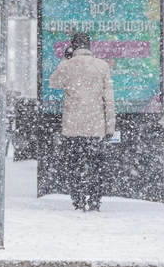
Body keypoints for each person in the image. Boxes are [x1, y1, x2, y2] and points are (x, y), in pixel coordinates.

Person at [49, 32, 115, 212]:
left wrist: (65, 60)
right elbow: (108, 99)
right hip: (96, 127)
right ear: (89, 46)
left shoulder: (67, 66)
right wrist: (110, 127)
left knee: (74, 165)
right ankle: (95, 201)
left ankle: (78, 200)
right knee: (96, 166)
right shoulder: (101, 66)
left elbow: (53, 83)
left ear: (73, 46)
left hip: (72, 126)